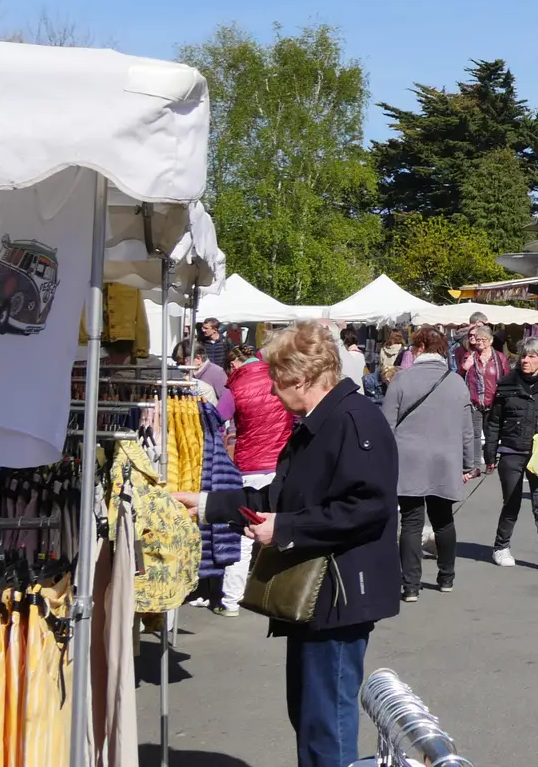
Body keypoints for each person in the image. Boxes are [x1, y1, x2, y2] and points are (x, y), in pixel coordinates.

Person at [174, 321, 400, 767]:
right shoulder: (321, 421)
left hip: (336, 593)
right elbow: (276, 498)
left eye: (277, 381)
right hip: (317, 594)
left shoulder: (352, 420)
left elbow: (368, 508)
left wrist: (286, 529)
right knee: (310, 714)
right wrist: (204, 504)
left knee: (326, 722)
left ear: (303, 378)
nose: (273, 393)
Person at [388, 328, 474, 599]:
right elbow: (467, 429)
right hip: (445, 459)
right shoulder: (456, 382)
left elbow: (386, 426)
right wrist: (468, 464)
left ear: (420, 347)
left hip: (408, 458)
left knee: (411, 523)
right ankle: (446, 577)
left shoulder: (402, 380)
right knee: (443, 520)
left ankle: (410, 586)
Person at [218, 344, 295, 617]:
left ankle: (231, 600)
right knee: (281, 527)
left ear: (234, 364)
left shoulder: (234, 388)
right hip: (280, 464)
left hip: (248, 465)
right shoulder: (280, 378)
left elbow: (218, 420)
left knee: (244, 532)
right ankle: (283, 593)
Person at [485, 338, 538, 572]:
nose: (525, 360)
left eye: (531, 356)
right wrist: (490, 455)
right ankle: (501, 547)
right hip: (511, 451)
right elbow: (494, 423)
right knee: (512, 503)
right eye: (523, 356)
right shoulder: (506, 384)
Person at [457, 323, 510, 470]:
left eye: (483, 340)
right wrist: (464, 368)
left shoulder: (500, 358)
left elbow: (507, 380)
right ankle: (474, 466)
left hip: (494, 402)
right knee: (473, 435)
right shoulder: (469, 356)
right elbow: (457, 378)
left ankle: (490, 462)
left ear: (491, 340)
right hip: (474, 402)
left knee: (491, 435)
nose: (480, 342)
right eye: (478, 339)